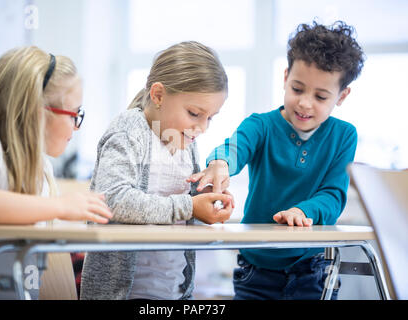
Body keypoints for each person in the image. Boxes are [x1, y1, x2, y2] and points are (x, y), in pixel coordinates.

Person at [188, 21, 365, 300]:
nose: (305, 103)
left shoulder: (344, 136)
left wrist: (304, 211)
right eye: (297, 89)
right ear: (285, 77)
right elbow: (235, 147)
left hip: (313, 268)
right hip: (256, 268)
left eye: (320, 96)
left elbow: (333, 194)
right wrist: (220, 163)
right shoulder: (261, 125)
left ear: (342, 96)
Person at [80, 41, 234, 300]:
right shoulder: (129, 131)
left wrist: (208, 200)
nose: (203, 127)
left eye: (210, 117)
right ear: (159, 95)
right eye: (194, 113)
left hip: (172, 292)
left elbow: (180, 214)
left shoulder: (185, 143)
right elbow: (112, 200)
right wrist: (189, 206)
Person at [0, 46, 112, 299]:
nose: (77, 126)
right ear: (37, 111)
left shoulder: (42, 167)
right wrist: (59, 206)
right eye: (74, 114)